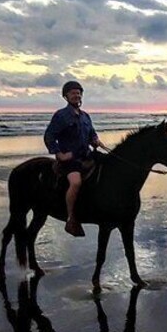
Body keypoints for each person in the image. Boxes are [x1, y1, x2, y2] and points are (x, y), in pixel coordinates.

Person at [44, 80, 102, 237]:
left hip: (87, 155)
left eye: (78, 93)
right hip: (70, 160)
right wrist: (58, 153)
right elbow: (49, 136)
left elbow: (92, 134)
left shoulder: (85, 116)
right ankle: (71, 219)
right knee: (76, 182)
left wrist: (95, 140)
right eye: (73, 93)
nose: (76, 95)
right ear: (66, 96)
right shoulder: (61, 115)